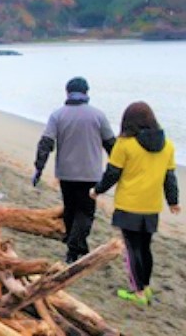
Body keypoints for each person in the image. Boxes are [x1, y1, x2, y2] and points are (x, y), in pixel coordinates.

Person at [90, 102, 180, 306]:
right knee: (145, 247)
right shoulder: (167, 145)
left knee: (132, 249)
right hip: (151, 206)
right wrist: (173, 201)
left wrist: (97, 191)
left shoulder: (125, 144)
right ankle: (145, 288)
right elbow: (170, 178)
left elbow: (113, 173)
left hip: (129, 205)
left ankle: (138, 292)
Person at [32, 77, 116, 263]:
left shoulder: (58, 115)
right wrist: (119, 167)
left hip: (66, 172)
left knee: (70, 210)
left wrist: (39, 168)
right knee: (85, 212)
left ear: (67, 92)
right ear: (86, 92)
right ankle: (74, 247)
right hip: (90, 174)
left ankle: (77, 248)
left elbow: (46, 143)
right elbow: (112, 145)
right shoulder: (98, 115)